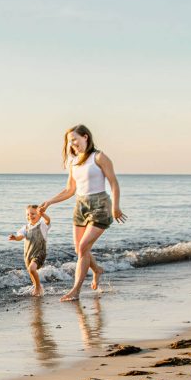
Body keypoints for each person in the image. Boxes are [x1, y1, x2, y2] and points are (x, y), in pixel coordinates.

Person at [38, 124, 126, 302]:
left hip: (100, 205)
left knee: (84, 247)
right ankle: (97, 269)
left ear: (85, 137)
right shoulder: (73, 162)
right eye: (70, 142)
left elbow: (114, 183)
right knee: (80, 249)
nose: (72, 144)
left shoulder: (99, 157)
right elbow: (70, 190)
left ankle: (76, 290)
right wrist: (49, 202)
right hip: (80, 206)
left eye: (74, 140)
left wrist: (115, 207)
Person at [8, 204, 52, 296]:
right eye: (27, 214)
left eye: (33, 214)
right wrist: (15, 238)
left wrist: (43, 214)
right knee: (30, 271)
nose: (30, 216)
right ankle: (37, 287)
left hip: (39, 253)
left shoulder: (42, 226)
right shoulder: (25, 227)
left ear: (39, 215)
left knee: (32, 269)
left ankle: (38, 286)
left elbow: (48, 220)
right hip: (28, 254)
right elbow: (21, 237)